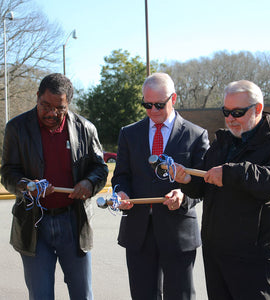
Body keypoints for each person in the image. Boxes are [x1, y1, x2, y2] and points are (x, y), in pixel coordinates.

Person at [174, 80, 270, 300]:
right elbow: (202, 187)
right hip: (216, 251)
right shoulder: (222, 141)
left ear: (258, 109)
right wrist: (187, 180)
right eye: (226, 111)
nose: (231, 118)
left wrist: (232, 173)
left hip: (253, 254)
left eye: (238, 112)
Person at [1, 73, 108, 300]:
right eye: (45, 105)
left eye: (59, 108)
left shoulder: (85, 128)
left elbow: (100, 168)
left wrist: (89, 183)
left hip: (74, 221)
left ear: (68, 103)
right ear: (37, 97)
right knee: (40, 295)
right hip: (33, 224)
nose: (51, 113)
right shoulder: (16, 128)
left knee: (82, 295)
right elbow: (7, 172)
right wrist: (26, 185)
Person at [111, 72, 210, 300]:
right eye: (147, 104)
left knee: (180, 295)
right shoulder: (129, 133)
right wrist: (122, 191)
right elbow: (121, 176)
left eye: (159, 104)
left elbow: (202, 184)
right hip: (138, 231)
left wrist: (184, 196)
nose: (153, 110)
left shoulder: (196, 135)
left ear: (173, 98)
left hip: (178, 232)